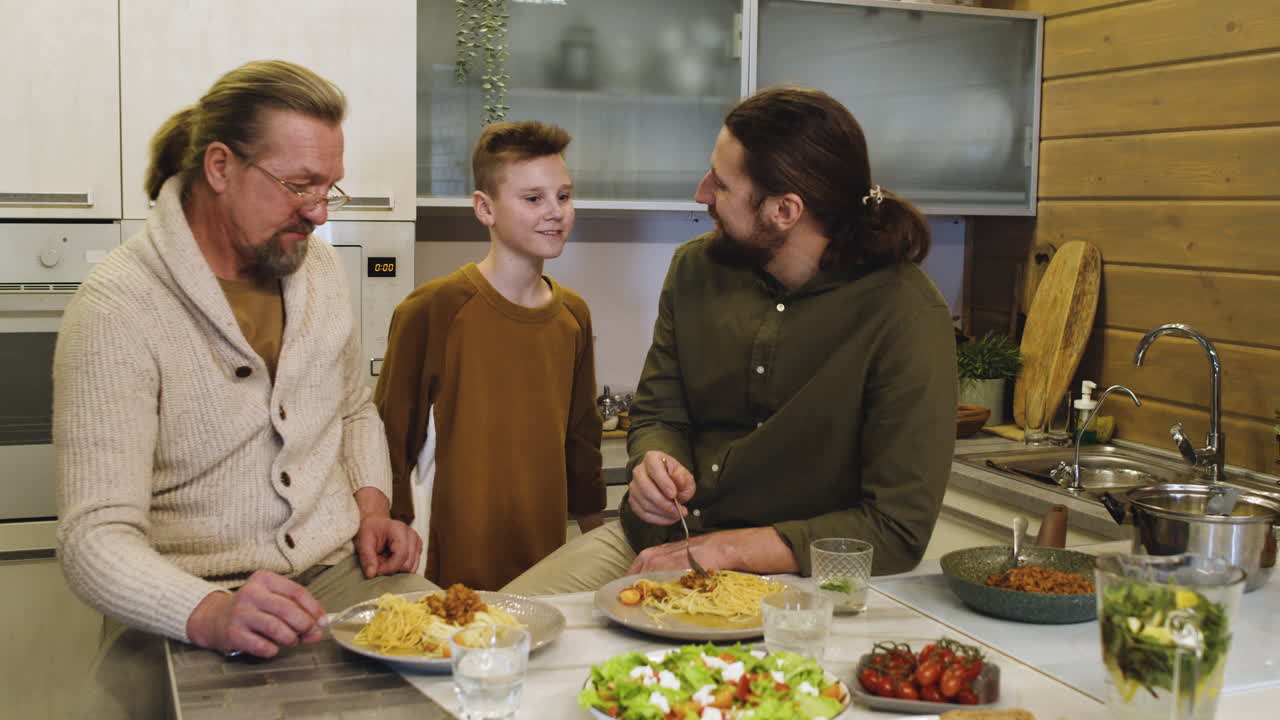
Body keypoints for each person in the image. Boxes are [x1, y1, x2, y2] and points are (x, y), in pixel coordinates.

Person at [54, 60, 438, 719]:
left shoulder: (314, 267)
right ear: (221, 166)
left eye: (330, 189)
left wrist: (373, 511)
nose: (319, 213)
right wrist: (210, 614)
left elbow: (351, 411)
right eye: (299, 186)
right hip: (185, 601)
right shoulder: (118, 306)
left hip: (343, 578)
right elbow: (94, 536)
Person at [502, 87, 956, 596]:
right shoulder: (695, 269)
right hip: (652, 542)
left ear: (784, 209)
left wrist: (727, 550)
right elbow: (658, 413)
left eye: (720, 183)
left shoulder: (906, 316)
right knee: (491, 631)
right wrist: (653, 462)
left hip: (794, 580)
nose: (701, 193)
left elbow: (897, 529)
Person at [374, 120, 606, 591]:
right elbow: (389, 439)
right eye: (533, 198)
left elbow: (582, 435)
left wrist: (596, 534)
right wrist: (389, 523)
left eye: (564, 196)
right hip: (449, 570)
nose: (555, 212)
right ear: (485, 208)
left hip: (547, 563)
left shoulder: (573, 316)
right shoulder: (432, 310)